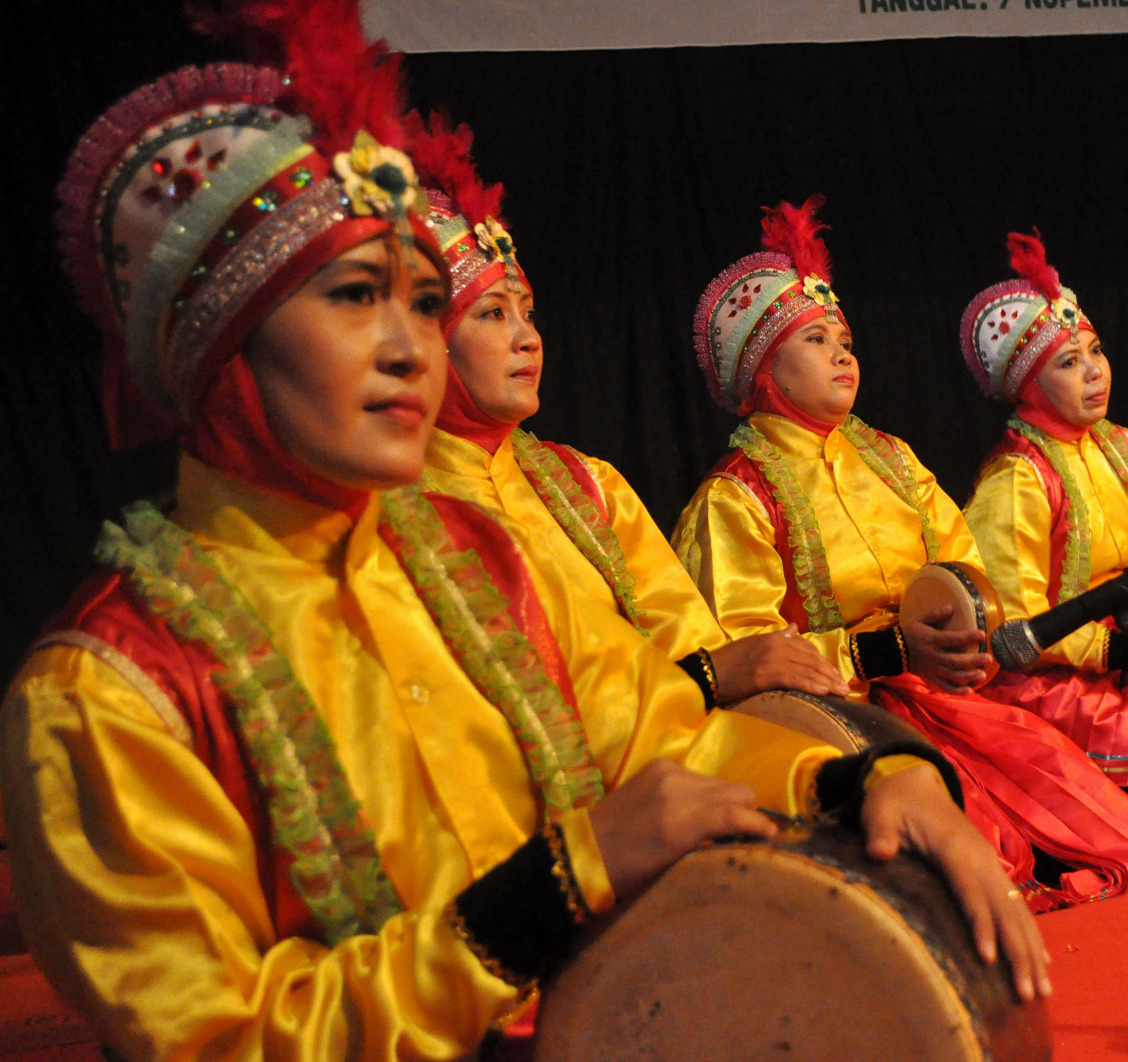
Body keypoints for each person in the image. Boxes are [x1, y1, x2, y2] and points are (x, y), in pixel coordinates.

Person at [1, 15, 1047, 1062]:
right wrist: (558, 885)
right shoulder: (109, 695)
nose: (410, 348)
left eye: (422, 304)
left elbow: (673, 740)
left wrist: (870, 777)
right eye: (358, 298)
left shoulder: (475, 561)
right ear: (220, 346)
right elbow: (213, 1038)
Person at [672, 196, 1128, 910]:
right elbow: (753, 659)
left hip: (939, 692)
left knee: (1099, 817)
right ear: (762, 370)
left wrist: (972, 634)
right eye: (815, 341)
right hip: (840, 717)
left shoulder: (890, 457)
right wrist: (884, 655)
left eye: (844, 338)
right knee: (983, 839)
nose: (843, 353)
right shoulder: (734, 498)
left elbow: (966, 565)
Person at [403, 114, 846, 704]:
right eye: (492, 314)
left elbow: (689, 644)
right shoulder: (385, 504)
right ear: (428, 336)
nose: (528, 339)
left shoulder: (588, 483)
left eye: (529, 314)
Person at [960, 231, 1128, 803]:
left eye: (1096, 351)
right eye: (1068, 362)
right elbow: (1018, 629)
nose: (1094, 372)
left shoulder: (1125, 448)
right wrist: (1119, 653)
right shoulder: (1016, 479)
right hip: (1052, 673)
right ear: (1028, 385)